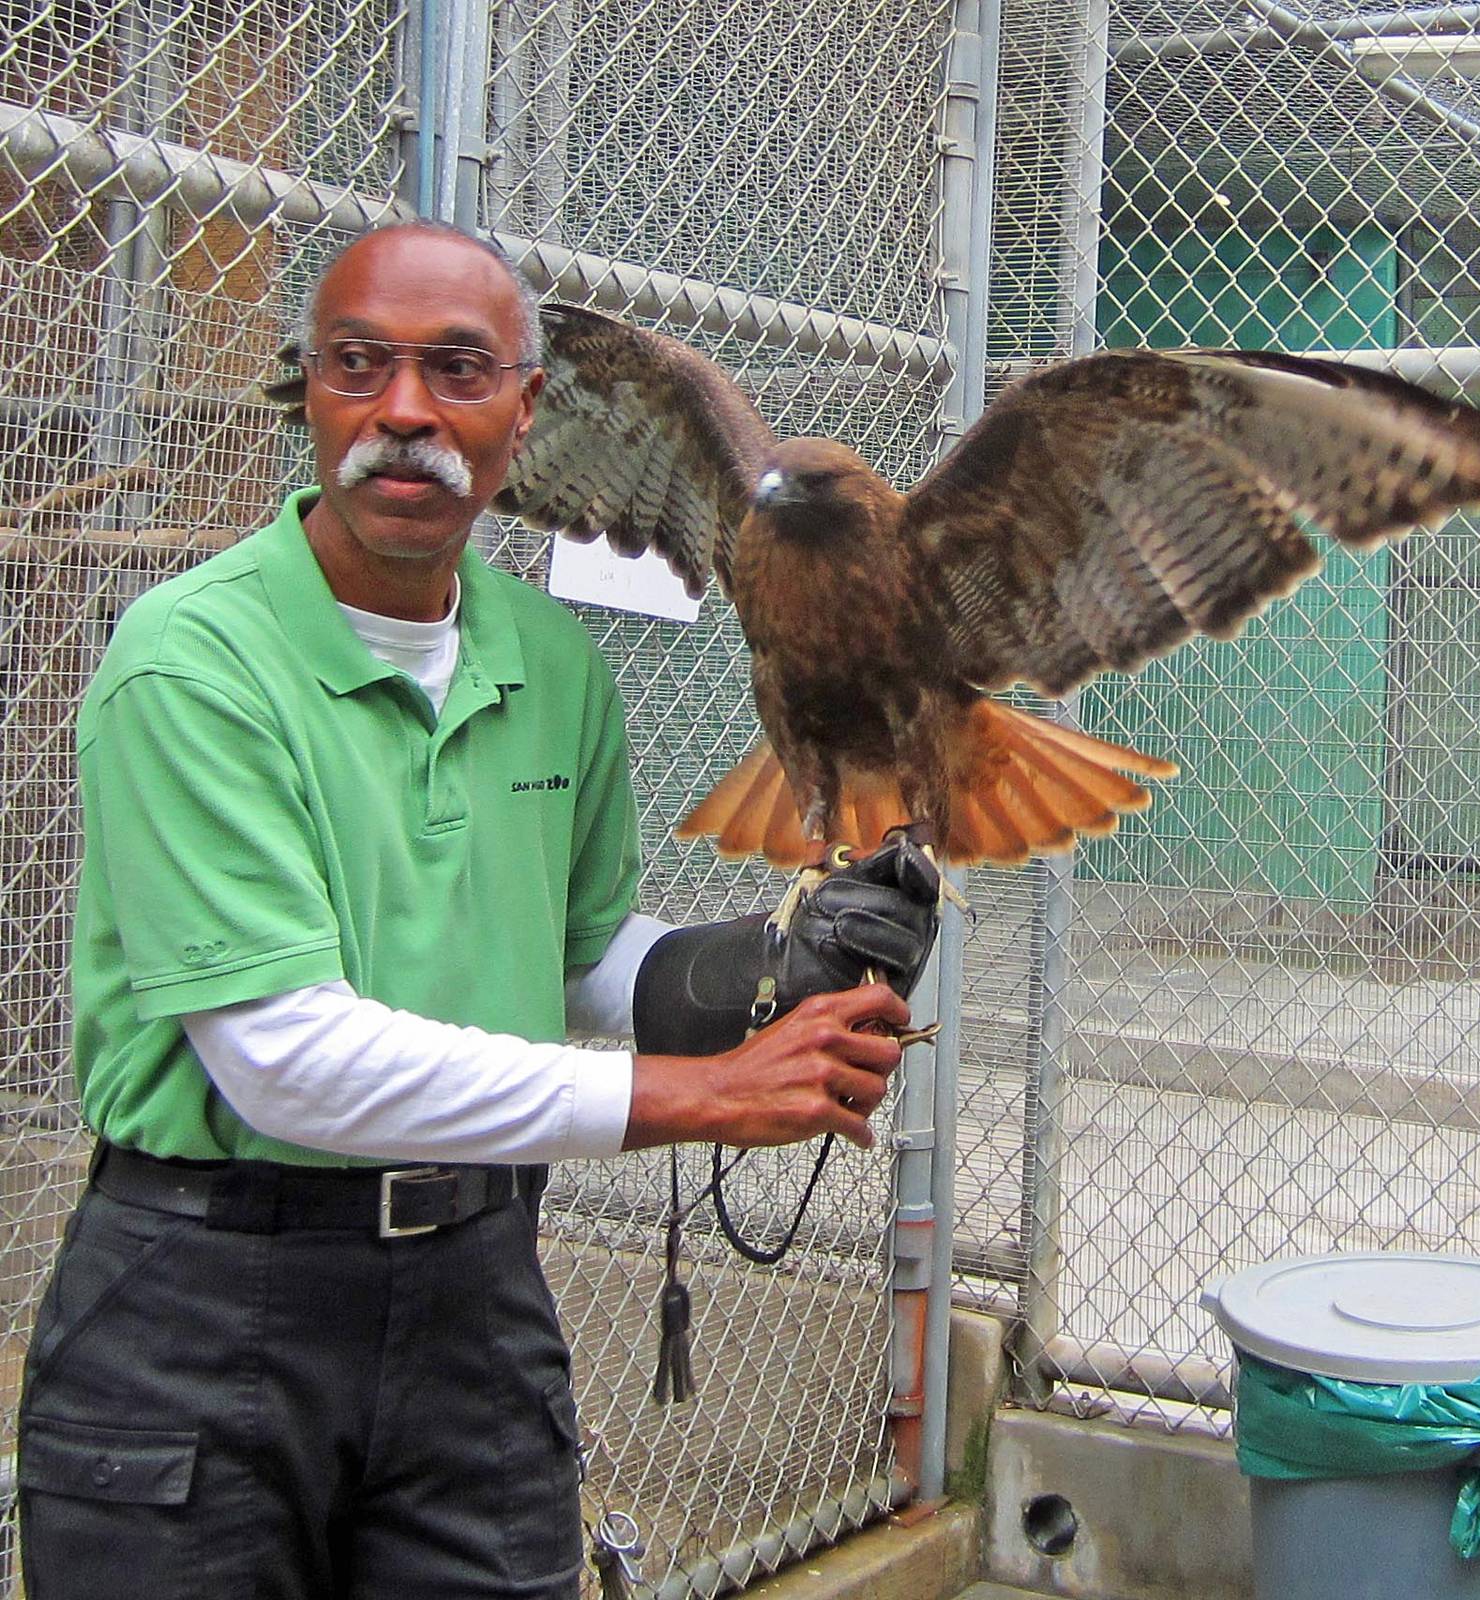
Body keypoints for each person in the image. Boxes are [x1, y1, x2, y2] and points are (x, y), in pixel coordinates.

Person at [17, 221, 940, 1600]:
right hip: (204, 1299)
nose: (404, 412)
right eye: (359, 366)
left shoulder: (552, 663)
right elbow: (285, 1063)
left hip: (475, 1294)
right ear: (316, 394)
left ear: (525, 408)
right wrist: (701, 1096)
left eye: (455, 369)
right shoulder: (192, 662)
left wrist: (773, 976)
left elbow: (578, 959)